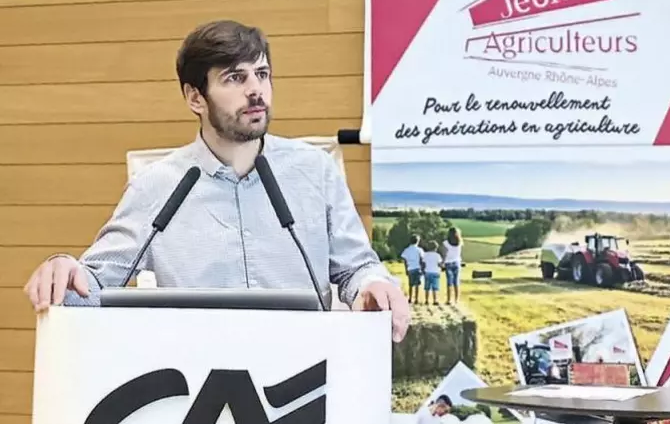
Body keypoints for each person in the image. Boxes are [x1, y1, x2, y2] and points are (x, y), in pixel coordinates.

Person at [22, 20, 411, 342]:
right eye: (234, 78)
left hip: (304, 380)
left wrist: (372, 286)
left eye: (261, 74)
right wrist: (62, 270)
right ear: (195, 97)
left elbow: (354, 268)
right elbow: (91, 288)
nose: (255, 89)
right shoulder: (156, 186)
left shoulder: (315, 171)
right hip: (197, 387)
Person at [441, 227, 462, 305]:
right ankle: (456, 299)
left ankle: (449, 299)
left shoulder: (445, 243)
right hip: (457, 262)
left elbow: (444, 254)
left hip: (448, 263)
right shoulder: (460, 242)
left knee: (449, 282)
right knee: (456, 282)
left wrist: (442, 263)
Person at [400, 235, 424, 304]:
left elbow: (404, 260)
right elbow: (422, 259)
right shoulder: (419, 250)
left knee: (410, 284)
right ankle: (416, 299)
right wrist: (422, 268)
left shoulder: (406, 250)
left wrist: (406, 269)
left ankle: (410, 298)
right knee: (417, 285)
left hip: (410, 268)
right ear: (418, 241)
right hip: (417, 268)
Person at [422, 240, 442, 305]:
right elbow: (439, 264)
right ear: (436, 248)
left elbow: (423, 264)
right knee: (435, 288)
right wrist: (442, 267)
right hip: (435, 272)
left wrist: (423, 270)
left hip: (427, 272)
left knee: (427, 288)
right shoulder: (437, 255)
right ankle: (435, 300)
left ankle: (426, 300)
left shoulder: (425, 254)